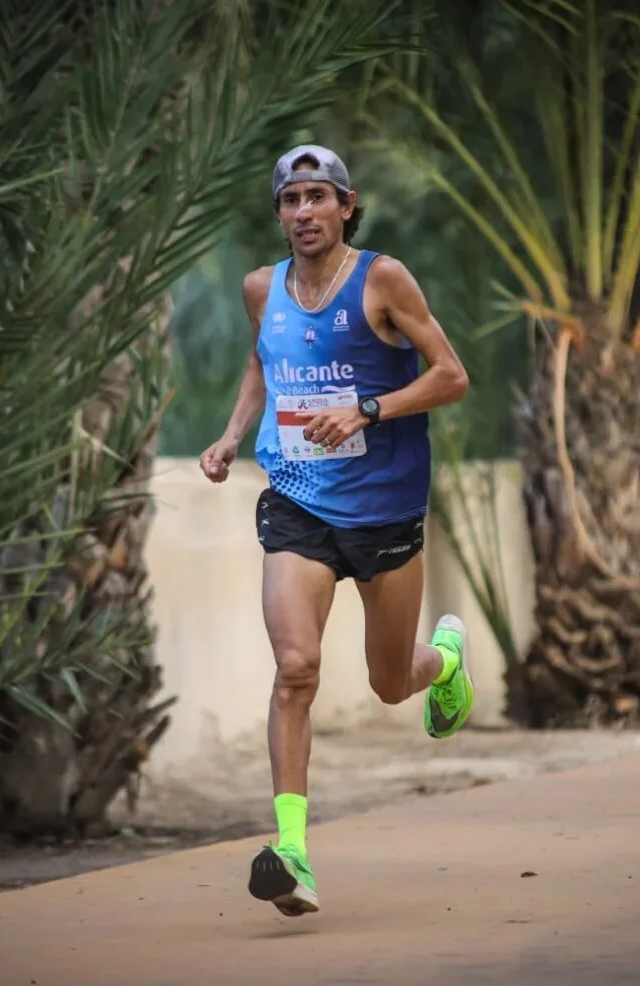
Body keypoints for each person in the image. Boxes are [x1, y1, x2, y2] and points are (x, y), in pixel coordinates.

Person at [199, 143, 475, 917]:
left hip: (385, 508)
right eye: (291, 201)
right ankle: (291, 850)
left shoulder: (381, 280)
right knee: (296, 667)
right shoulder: (262, 288)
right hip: (298, 502)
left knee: (391, 683)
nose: (304, 212)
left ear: (347, 206)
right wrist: (229, 435)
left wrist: (369, 408)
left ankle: (443, 663)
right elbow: (265, 360)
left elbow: (452, 375)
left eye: (318, 197)